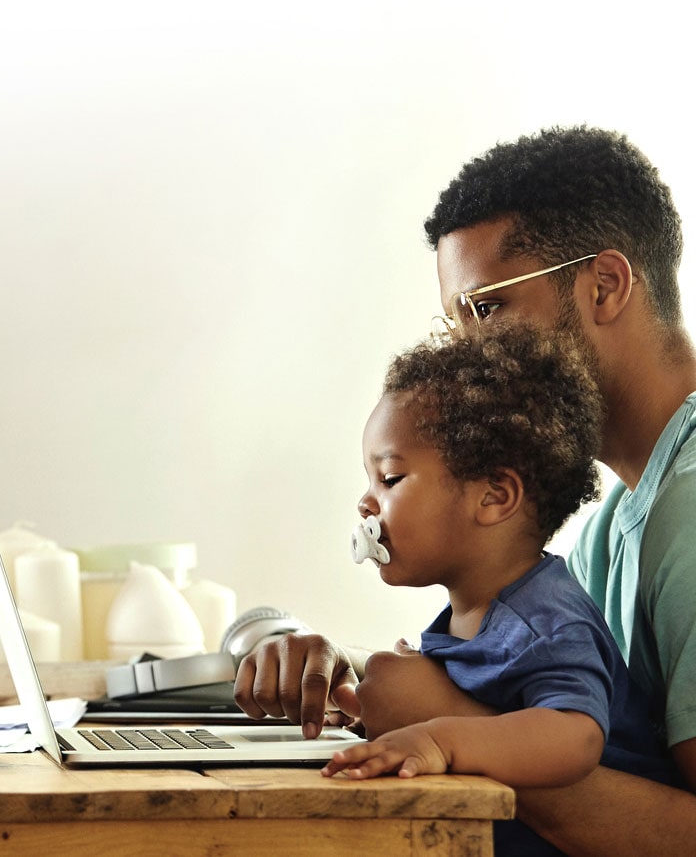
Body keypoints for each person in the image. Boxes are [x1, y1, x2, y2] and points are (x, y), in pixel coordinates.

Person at [234, 126, 696, 855]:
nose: (468, 353)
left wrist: (443, 719)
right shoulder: (616, 523)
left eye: (486, 309)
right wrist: (355, 675)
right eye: (454, 323)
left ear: (604, 286)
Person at [320, 326, 677, 856]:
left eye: (390, 479)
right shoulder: (477, 613)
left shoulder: (544, 619)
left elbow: (575, 736)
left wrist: (440, 736)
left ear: (494, 496)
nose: (365, 504)